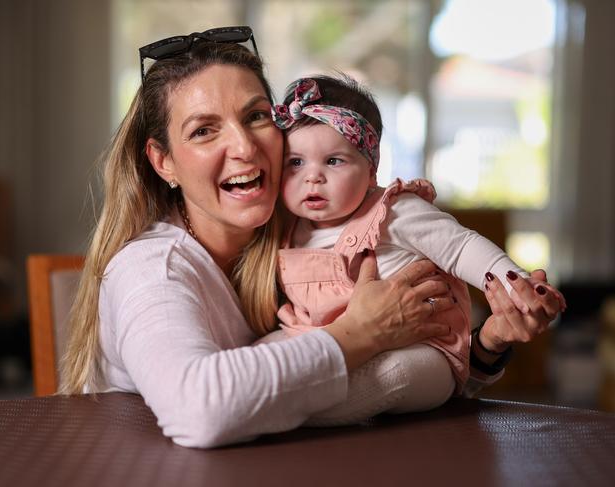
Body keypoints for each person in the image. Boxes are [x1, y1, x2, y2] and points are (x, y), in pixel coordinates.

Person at [60, 26, 562, 448]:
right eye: (203, 131)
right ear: (163, 161)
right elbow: (201, 411)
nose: (243, 146)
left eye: (256, 116)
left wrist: (487, 346)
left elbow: (407, 380)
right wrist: (356, 335)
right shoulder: (155, 268)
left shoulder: (287, 237)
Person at [267, 74, 566, 404]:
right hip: (325, 347)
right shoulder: (287, 229)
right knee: (264, 355)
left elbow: (461, 246)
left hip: (420, 349)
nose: (312, 176)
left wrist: (519, 286)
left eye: (333, 160)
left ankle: (309, 405)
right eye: (295, 163)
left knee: (391, 373)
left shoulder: (392, 211)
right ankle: (289, 399)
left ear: (370, 171)